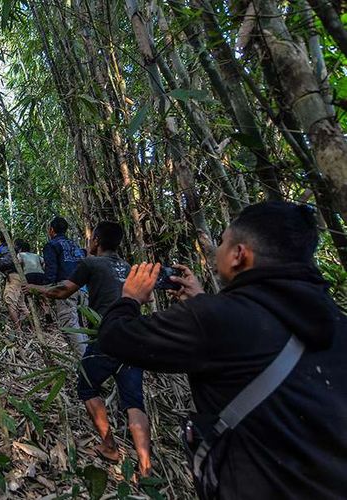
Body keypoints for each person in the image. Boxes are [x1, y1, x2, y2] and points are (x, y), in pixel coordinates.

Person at [98, 201, 347, 499]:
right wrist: (203, 300)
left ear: (239, 255)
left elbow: (115, 337)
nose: (218, 250)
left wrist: (130, 298)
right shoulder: (336, 323)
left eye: (223, 242)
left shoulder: (214, 319)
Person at [28, 221, 152, 476]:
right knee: (134, 402)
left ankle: (109, 445)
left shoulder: (90, 264)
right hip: (134, 338)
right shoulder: (128, 267)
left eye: (90, 238)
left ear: (95, 240)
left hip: (108, 336)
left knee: (86, 386)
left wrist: (35, 288)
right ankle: (146, 467)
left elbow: (63, 291)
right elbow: (145, 297)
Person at [42, 216, 86, 355]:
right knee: (83, 325)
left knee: (70, 325)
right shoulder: (74, 245)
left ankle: (85, 363)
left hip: (66, 288)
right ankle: (90, 358)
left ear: (51, 230)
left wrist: (47, 289)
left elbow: (51, 271)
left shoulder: (52, 245)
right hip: (83, 288)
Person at [0, 232, 28, 331]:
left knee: (9, 300)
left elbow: (9, 261)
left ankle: (18, 330)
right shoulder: (4, 248)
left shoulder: (6, 248)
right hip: (18, 277)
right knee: (21, 305)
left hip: (13, 277)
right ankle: (33, 328)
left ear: (0, 238)